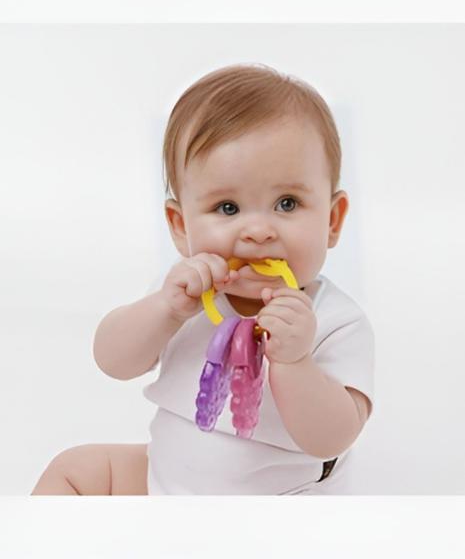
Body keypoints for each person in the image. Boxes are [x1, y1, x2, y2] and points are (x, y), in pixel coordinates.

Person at [31, 63, 375, 495]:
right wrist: (163, 310)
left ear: (332, 219)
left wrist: (294, 362)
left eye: (287, 203)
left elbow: (333, 437)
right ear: (180, 225)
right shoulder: (187, 297)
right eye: (228, 208)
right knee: (75, 470)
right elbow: (113, 361)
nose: (258, 230)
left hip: (278, 511)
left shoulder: (336, 322)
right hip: (165, 483)